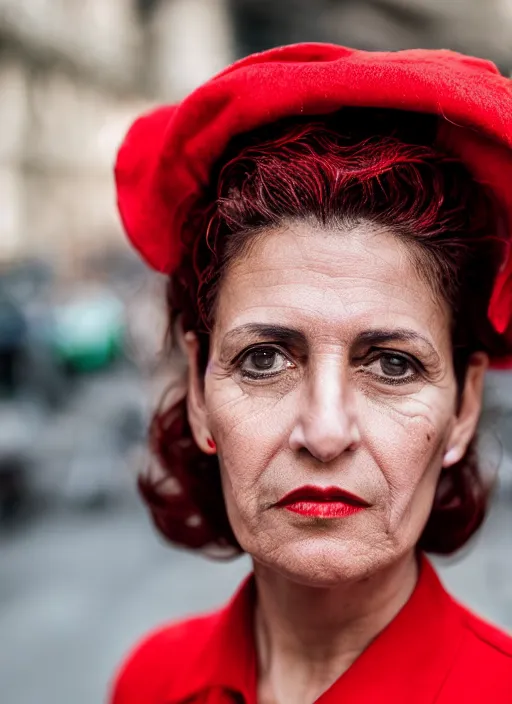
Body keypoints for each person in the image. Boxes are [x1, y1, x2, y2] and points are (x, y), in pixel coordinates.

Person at [110, 44, 512, 704]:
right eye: (264, 359)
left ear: (464, 409)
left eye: (392, 364)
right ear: (199, 390)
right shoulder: (152, 682)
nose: (325, 434)